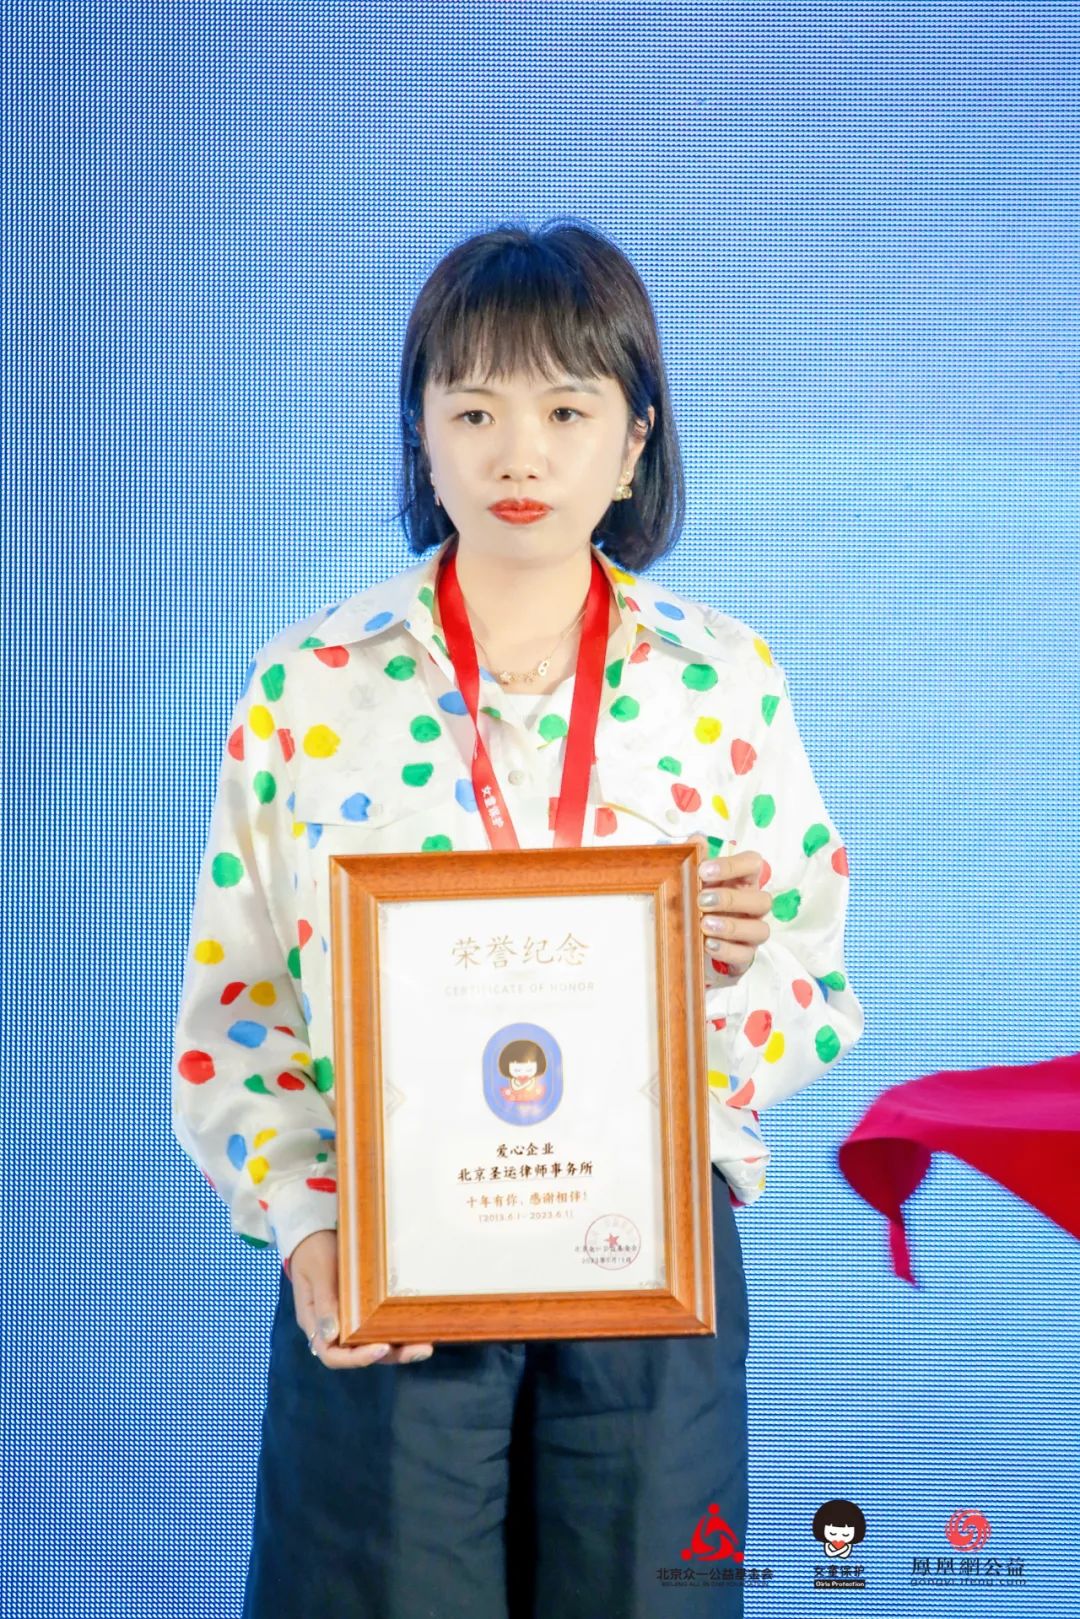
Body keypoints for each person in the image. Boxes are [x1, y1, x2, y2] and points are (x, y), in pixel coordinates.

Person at [171, 217, 865, 1617]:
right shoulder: (310, 682)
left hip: (649, 1263)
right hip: (391, 1260)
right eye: (474, 410)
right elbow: (240, 1005)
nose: (519, 456)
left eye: (566, 410)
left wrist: (724, 972)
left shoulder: (723, 679)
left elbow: (814, 978)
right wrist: (308, 1228)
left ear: (635, 440)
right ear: (422, 436)